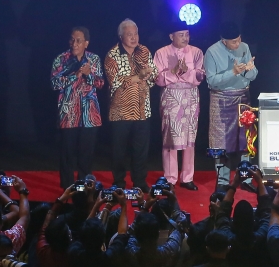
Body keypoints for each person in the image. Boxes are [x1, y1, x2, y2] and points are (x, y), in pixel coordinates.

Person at [104, 19, 157, 192]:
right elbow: (114, 81)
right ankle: (119, 182)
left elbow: (154, 74)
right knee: (119, 150)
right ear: (121, 37)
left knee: (141, 150)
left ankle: (140, 182)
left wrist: (149, 76)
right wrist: (138, 76)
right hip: (121, 111)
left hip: (143, 109)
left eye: (136, 34)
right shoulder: (112, 55)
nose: (134, 38)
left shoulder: (144, 51)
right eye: (129, 35)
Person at [154, 20, 206, 190]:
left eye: (187, 34)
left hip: (191, 98)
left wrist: (186, 72)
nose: (185, 38)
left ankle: (187, 177)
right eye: (181, 35)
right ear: (171, 36)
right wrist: (173, 71)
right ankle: (170, 179)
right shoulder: (161, 53)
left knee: (190, 138)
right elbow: (157, 79)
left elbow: (200, 77)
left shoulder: (196, 52)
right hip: (171, 98)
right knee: (171, 138)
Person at [50, 27, 105, 188]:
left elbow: (100, 83)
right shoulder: (61, 59)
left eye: (78, 40)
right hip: (68, 114)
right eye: (72, 40)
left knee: (86, 155)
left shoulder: (94, 59)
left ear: (86, 43)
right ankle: (67, 187)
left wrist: (88, 74)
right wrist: (75, 75)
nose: (74, 43)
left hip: (89, 114)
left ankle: (83, 188)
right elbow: (54, 84)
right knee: (67, 154)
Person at [205, 22, 258, 187]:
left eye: (239, 39)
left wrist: (249, 70)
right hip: (221, 99)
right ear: (223, 41)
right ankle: (222, 181)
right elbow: (211, 81)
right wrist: (232, 72)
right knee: (221, 143)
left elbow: (253, 75)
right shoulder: (212, 52)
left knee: (245, 140)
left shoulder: (245, 47)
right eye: (234, 42)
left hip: (243, 97)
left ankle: (246, 179)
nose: (238, 43)